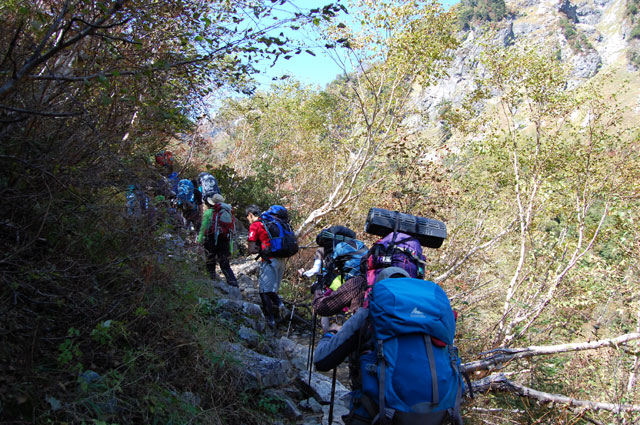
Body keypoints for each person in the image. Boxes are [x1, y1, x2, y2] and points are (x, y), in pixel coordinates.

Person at [246, 204, 285, 328]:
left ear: (251, 215)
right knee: (272, 290)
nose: (247, 219)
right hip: (281, 259)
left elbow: (251, 249)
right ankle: (280, 306)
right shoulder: (270, 223)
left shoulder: (255, 225)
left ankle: (270, 321)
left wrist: (258, 248)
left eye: (247, 217)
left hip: (269, 260)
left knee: (264, 291)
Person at [198, 194, 237, 287]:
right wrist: (230, 248)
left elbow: (203, 228)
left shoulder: (209, 213)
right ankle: (234, 284)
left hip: (211, 240)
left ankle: (211, 284)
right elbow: (231, 232)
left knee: (210, 262)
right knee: (225, 265)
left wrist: (199, 241)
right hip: (225, 241)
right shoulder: (229, 213)